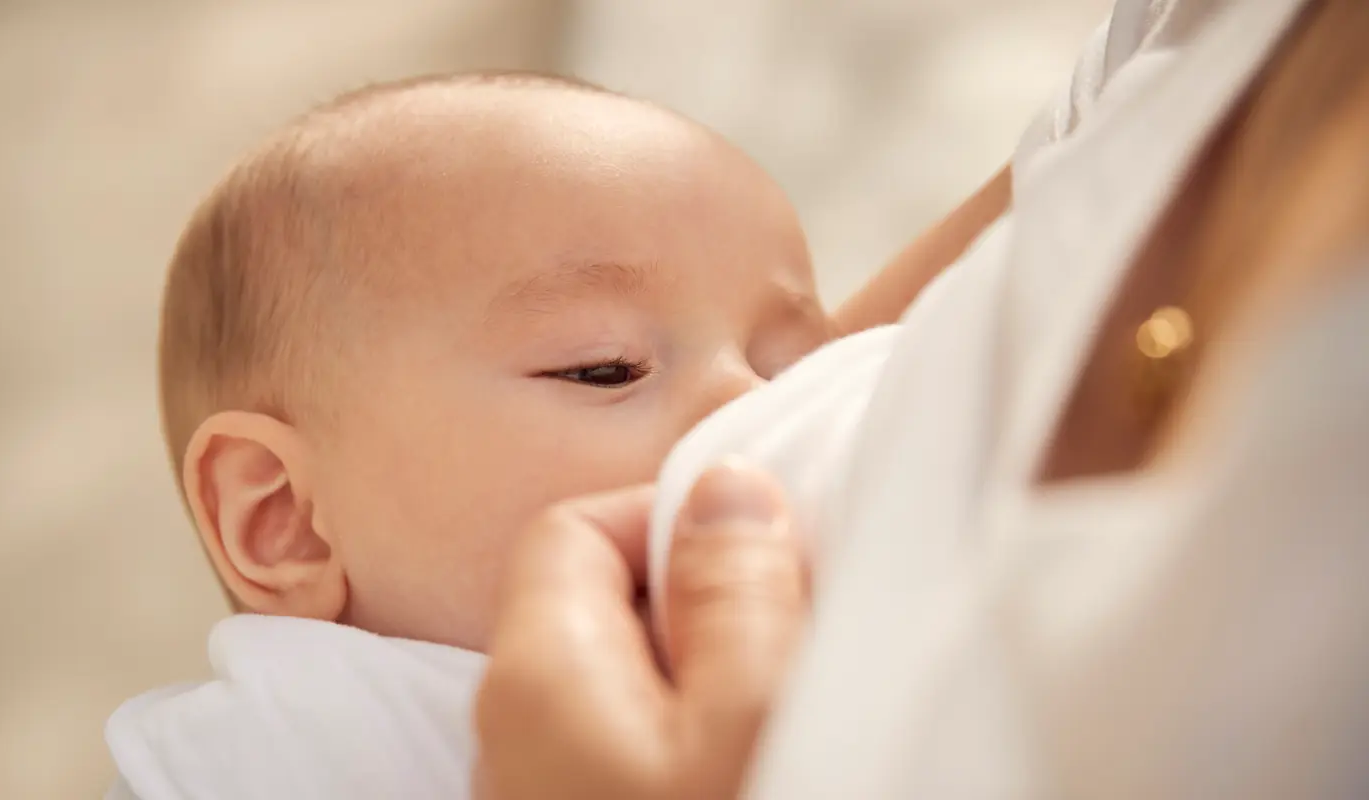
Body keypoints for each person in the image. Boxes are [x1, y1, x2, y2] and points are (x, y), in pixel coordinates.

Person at [476, 0, 1369, 797]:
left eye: (783, 365)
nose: (744, 401)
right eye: (603, 369)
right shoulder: (1183, 38)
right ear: (323, 528)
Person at [105, 72, 839, 798]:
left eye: (797, 370)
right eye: (602, 368)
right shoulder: (281, 741)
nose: (754, 405)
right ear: (288, 522)